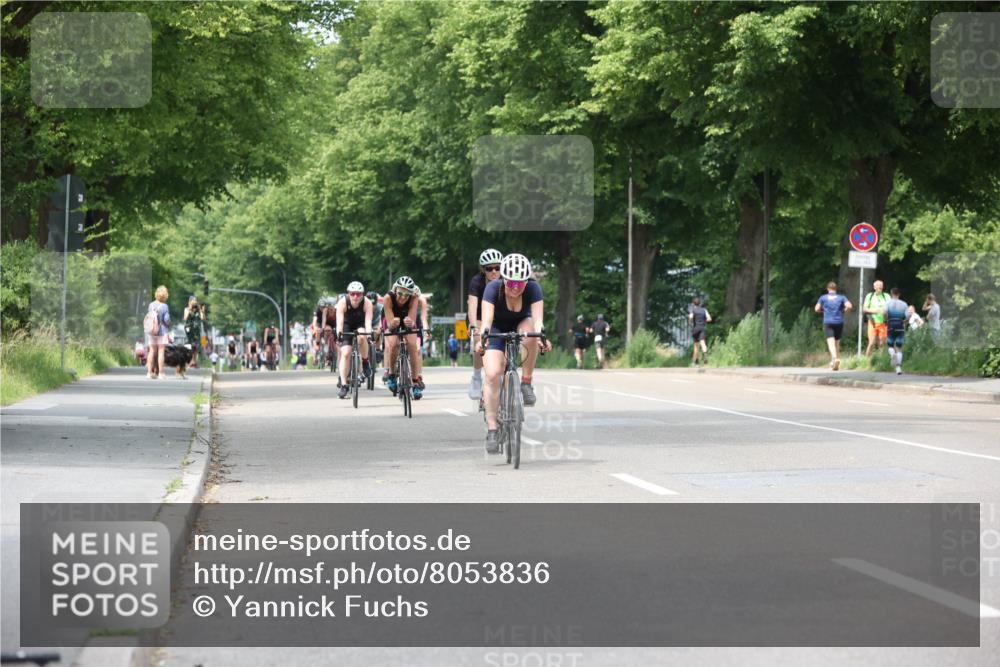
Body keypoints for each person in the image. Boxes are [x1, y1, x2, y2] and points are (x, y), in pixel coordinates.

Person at [476, 253, 552, 454]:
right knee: (493, 374)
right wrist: (482, 339)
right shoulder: (493, 288)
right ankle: (492, 428)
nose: (515, 289)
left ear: (527, 281)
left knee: (531, 336)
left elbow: (538, 320)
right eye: (511, 283)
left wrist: (542, 337)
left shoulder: (534, 288)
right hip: (496, 327)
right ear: (503, 279)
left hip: (521, 322)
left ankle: (526, 382)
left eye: (520, 284)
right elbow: (487, 320)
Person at [468, 249, 503, 399]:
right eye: (489, 269)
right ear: (483, 270)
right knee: (479, 340)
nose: (494, 272)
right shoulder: (477, 281)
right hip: (479, 315)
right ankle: (476, 377)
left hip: (499, 316)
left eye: (498, 268)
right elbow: (472, 306)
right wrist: (473, 326)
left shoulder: (506, 281)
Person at [382, 276, 424, 399]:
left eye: (407, 295)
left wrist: (410, 322)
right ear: (395, 290)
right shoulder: (388, 298)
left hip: (406, 320)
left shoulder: (414, 298)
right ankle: (391, 374)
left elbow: (411, 318)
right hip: (392, 320)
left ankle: (415, 381)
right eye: (400, 293)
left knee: (412, 346)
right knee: (393, 344)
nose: (402, 297)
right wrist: (392, 323)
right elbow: (389, 324)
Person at [336, 282, 374, 399]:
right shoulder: (342, 302)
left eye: (358, 294)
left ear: (362, 294)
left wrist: (369, 335)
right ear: (349, 294)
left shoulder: (367, 303)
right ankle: (344, 385)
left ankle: (365, 361)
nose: (355, 297)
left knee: (362, 336)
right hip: (347, 324)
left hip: (360, 324)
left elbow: (368, 322)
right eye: (353, 294)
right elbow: (340, 322)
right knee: (346, 352)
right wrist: (339, 333)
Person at [815, 281, 852, 371]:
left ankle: (834, 358)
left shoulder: (823, 297)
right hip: (839, 322)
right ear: (836, 289)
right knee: (837, 343)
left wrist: (822, 311)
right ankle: (835, 364)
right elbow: (849, 306)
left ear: (828, 289)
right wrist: (844, 311)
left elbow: (816, 309)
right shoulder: (841, 297)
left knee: (831, 343)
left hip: (828, 322)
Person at [146, 285, 171, 379]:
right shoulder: (165, 306)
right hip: (162, 331)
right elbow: (167, 320)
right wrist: (168, 323)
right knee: (161, 352)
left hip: (152, 331)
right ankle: (161, 373)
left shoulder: (151, 305)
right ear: (165, 296)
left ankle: (149, 372)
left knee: (151, 351)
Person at [884, 287, 909, 375]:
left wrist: (886, 321)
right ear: (899, 294)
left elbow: (885, 313)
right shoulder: (904, 304)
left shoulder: (887, 303)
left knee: (890, 345)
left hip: (890, 325)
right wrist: (903, 322)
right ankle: (898, 368)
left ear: (891, 293)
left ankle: (892, 354)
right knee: (899, 347)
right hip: (900, 326)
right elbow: (907, 316)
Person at [863, 279, 889, 356]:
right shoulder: (870, 296)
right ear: (874, 287)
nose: (880, 287)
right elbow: (864, 309)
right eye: (878, 286)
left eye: (881, 286)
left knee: (881, 343)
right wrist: (874, 311)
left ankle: (880, 361)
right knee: (871, 342)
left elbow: (890, 307)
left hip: (883, 322)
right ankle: (866, 359)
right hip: (872, 322)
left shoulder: (886, 296)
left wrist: (886, 311)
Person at [688, 297, 712, 365]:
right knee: (703, 342)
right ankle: (705, 354)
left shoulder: (693, 310)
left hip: (696, 328)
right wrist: (704, 320)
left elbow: (690, 317)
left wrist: (690, 322)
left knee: (696, 346)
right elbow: (709, 319)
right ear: (700, 303)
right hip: (703, 328)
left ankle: (695, 362)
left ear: (693, 304)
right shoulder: (704, 310)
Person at [183, 296, 204, 368]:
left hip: (197, 331)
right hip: (189, 331)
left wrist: (201, 310)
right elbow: (185, 318)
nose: (194, 302)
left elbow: (202, 318)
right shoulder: (186, 309)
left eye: (195, 301)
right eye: (193, 301)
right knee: (189, 346)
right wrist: (190, 308)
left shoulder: (198, 310)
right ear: (189, 302)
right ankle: (189, 362)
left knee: (196, 346)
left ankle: (194, 362)